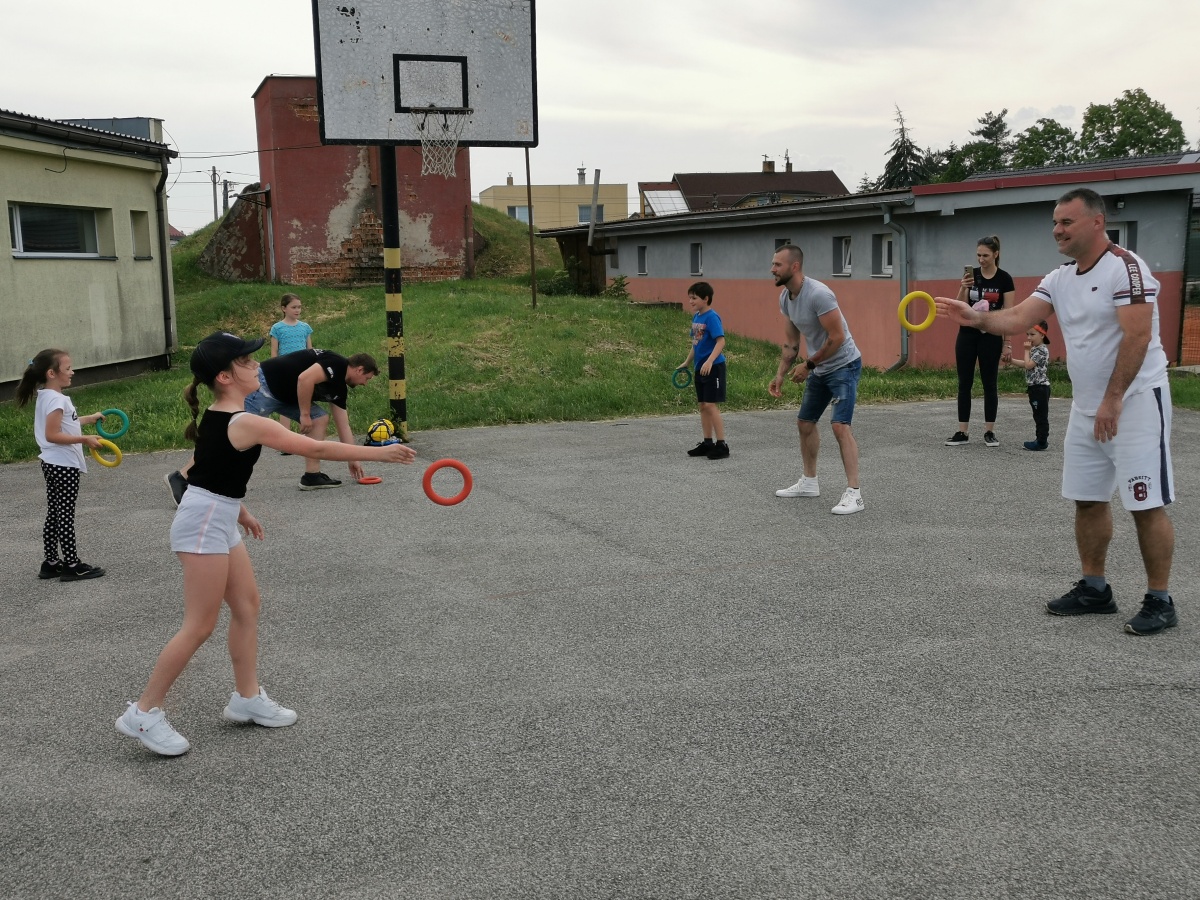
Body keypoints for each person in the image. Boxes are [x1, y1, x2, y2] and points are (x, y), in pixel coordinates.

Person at [118, 332, 416, 756]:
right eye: (245, 361)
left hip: (217, 514)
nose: (257, 365)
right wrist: (379, 453)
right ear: (224, 377)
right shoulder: (247, 422)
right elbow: (312, 445)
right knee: (199, 625)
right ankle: (143, 712)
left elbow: (210, 471)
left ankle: (246, 698)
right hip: (203, 522)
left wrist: (239, 510)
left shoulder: (226, 415)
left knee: (247, 606)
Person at [935, 188, 1177, 636]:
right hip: (1087, 408)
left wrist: (1113, 400)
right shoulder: (1061, 276)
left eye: (1066, 222)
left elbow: (1138, 337)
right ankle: (1095, 589)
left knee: (1145, 502)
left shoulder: (1126, 268)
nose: (1057, 230)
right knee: (1087, 499)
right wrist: (976, 318)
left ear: (1097, 222)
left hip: (1136, 402)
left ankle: (1160, 600)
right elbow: (1019, 318)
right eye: (1054, 223)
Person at [165, 347, 380, 503]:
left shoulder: (339, 388)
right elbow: (305, 379)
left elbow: (344, 425)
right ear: (359, 370)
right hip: (264, 385)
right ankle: (182, 476)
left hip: (284, 395)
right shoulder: (337, 364)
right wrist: (305, 414)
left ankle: (312, 475)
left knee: (320, 418)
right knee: (228, 434)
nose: (365, 384)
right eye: (367, 378)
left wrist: (353, 459)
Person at [768, 244, 865, 515]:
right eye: (773, 264)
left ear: (794, 266)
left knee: (840, 426)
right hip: (820, 367)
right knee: (805, 423)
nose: (772, 269)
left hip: (844, 365)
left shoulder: (819, 294)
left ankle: (854, 494)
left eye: (777, 265)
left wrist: (809, 365)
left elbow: (838, 337)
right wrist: (780, 374)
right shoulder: (786, 298)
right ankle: (809, 482)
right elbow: (791, 343)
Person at [16, 349, 108, 582]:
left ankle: (51, 563)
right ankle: (72, 565)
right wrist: (84, 439)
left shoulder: (46, 395)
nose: (72, 372)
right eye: (67, 369)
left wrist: (89, 419)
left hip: (51, 462)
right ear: (51, 373)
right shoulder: (57, 400)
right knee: (65, 515)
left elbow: (67, 423)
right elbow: (53, 434)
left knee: (55, 513)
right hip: (64, 465)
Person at [945, 236, 1016, 448]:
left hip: (991, 335)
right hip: (967, 335)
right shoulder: (972, 275)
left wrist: (1007, 343)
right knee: (964, 383)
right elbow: (959, 306)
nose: (981, 259)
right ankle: (962, 432)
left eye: (985, 255)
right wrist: (963, 287)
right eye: (978, 255)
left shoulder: (1005, 279)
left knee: (989, 383)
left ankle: (989, 432)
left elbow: (1008, 314)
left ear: (996, 254)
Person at [680, 281, 729, 460]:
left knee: (710, 405)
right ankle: (708, 442)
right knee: (702, 405)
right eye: (689, 298)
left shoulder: (711, 317)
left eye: (694, 298)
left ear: (706, 299)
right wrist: (687, 362)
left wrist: (709, 361)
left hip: (713, 367)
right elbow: (696, 344)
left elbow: (721, 341)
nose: (690, 301)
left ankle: (722, 445)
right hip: (700, 368)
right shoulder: (696, 317)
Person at [269, 293, 314, 444]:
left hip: (303, 371)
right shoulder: (277, 328)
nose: (297, 310)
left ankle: (307, 439)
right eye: (294, 307)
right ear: (284, 308)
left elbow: (310, 350)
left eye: (299, 307)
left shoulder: (305, 327)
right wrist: (275, 371)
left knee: (305, 403)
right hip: (285, 370)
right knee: (286, 404)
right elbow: (274, 351)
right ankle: (285, 441)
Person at [1008, 321, 1052, 451]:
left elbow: (1028, 365)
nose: (1029, 338)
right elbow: (1026, 363)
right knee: (1037, 414)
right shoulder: (1035, 349)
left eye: (1032, 334)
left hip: (1040, 387)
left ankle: (1041, 441)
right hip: (1034, 387)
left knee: (1041, 415)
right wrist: (1011, 361)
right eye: (1027, 334)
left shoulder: (1042, 350)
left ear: (1042, 335)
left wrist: (1026, 350)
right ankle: (1040, 439)